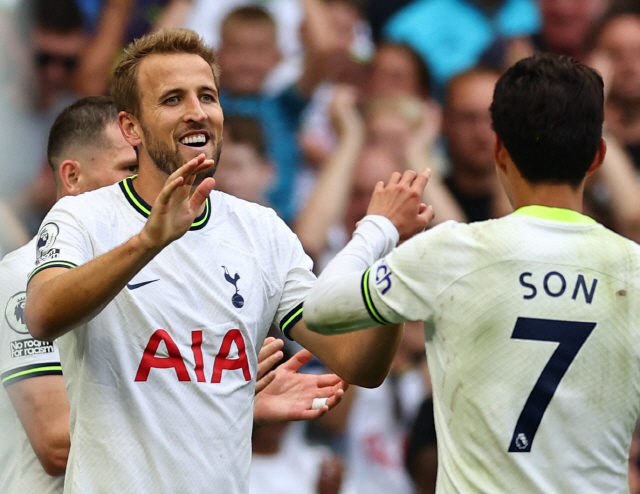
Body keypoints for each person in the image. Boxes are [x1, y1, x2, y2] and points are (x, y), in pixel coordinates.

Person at [24, 29, 425, 493]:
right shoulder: (84, 215)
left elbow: (359, 364)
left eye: (207, 96)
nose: (197, 111)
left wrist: (396, 265)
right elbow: (42, 315)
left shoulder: (262, 231)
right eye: (172, 99)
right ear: (131, 128)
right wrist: (148, 242)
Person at [305, 53, 640, 492]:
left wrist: (380, 227)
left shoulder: (452, 251)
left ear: (499, 151)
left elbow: (320, 307)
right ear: (598, 156)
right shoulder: (634, 270)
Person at [2, 95, 346, 494]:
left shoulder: (170, 269)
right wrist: (227, 404)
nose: (149, 182)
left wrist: (228, 405)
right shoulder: (25, 275)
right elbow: (55, 445)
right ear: (72, 177)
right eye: (130, 169)